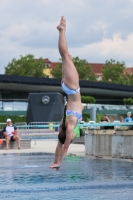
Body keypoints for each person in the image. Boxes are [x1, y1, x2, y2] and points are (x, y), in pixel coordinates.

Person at [49, 16, 82, 170]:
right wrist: (55, 160)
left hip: (73, 88)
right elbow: (59, 145)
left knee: (66, 55)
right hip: (67, 87)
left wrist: (59, 163)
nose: (74, 136)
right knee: (65, 57)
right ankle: (62, 31)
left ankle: (62, 30)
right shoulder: (64, 125)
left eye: (72, 137)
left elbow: (64, 147)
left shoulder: (69, 127)